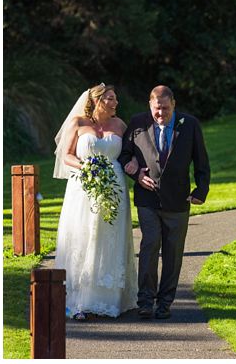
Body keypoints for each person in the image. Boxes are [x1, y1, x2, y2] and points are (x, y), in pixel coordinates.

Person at [120, 85, 210, 319]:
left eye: (165, 109)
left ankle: (165, 302)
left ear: (174, 105)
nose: (160, 114)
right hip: (147, 199)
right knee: (150, 246)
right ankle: (145, 301)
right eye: (157, 109)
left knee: (173, 253)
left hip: (179, 199)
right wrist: (136, 174)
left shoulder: (189, 124)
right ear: (150, 105)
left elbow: (201, 162)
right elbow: (123, 154)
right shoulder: (138, 123)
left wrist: (201, 190)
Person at [52, 83, 138, 318]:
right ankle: (78, 300)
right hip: (84, 186)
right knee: (83, 236)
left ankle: (110, 298)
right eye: (111, 98)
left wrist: (133, 164)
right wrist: (87, 167)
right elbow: (66, 154)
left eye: (115, 98)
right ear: (98, 101)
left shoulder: (120, 125)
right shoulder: (78, 123)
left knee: (110, 237)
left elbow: (130, 154)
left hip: (115, 186)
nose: (115, 103)